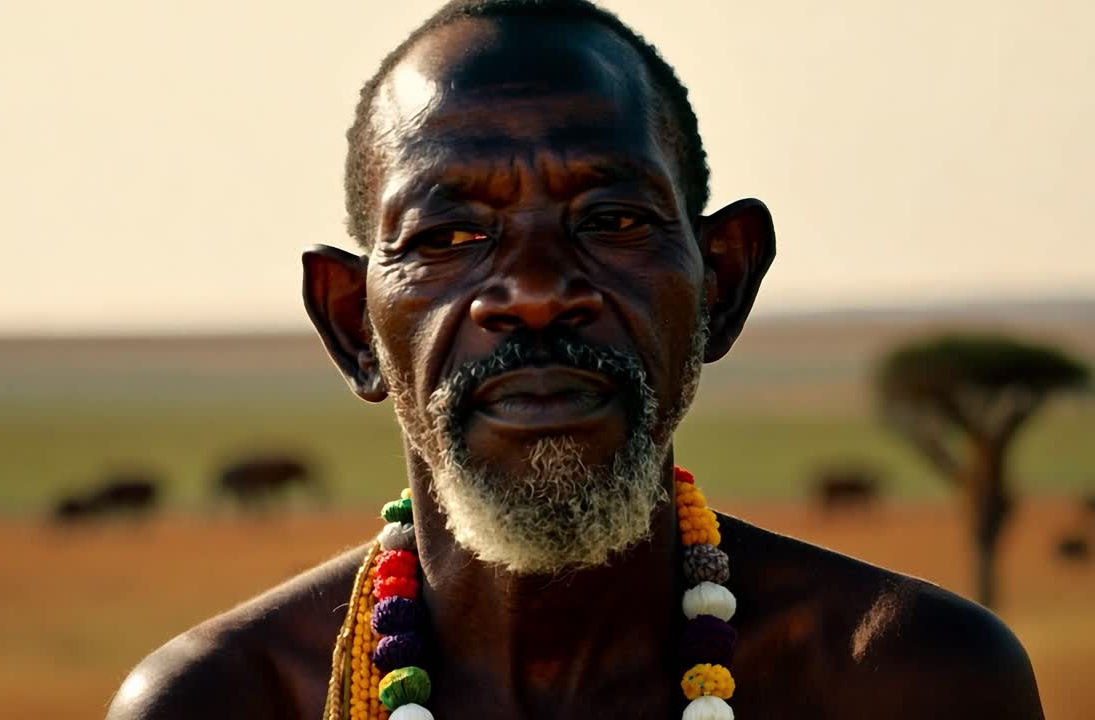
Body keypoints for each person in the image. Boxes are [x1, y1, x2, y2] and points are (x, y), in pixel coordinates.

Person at [106, 1, 1045, 718]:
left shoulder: (899, 680)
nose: (535, 290)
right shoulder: (229, 702)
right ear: (354, 326)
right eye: (448, 235)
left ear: (721, 286)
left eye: (614, 220)